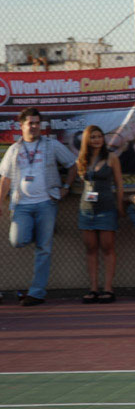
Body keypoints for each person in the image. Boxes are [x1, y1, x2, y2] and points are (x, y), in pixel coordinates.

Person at [0, 107, 77, 306]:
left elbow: (72, 164)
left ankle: (37, 293)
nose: (34, 126)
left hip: (46, 203)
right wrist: (0, 201)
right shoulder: (14, 149)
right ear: (21, 125)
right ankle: (40, 230)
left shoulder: (51, 145)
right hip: (21, 206)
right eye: (30, 123)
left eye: (36, 123)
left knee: (44, 249)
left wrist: (66, 187)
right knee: (17, 240)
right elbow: (5, 178)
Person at [77, 125, 124, 304]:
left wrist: (120, 206)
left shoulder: (111, 157)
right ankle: (93, 289)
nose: (96, 140)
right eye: (93, 137)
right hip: (86, 210)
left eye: (99, 136)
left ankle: (108, 289)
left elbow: (119, 184)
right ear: (87, 140)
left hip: (107, 209)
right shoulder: (82, 159)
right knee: (90, 249)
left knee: (107, 248)